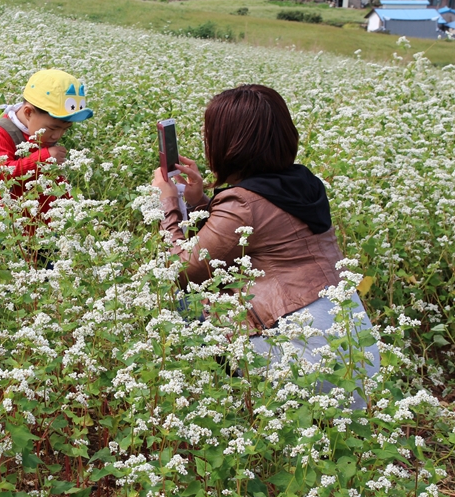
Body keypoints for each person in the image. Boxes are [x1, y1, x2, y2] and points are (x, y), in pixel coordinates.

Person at [151, 84, 379, 408]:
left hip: (308, 371)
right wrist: (200, 201)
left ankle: (206, 401)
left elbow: (181, 270)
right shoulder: (303, 183)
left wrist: (166, 202)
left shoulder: (243, 203)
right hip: (354, 361)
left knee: (181, 302)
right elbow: (244, 236)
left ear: (227, 144)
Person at [0, 69, 93, 225]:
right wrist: (45, 157)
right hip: (8, 226)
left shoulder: (40, 131)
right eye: (53, 128)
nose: (57, 136)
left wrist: (73, 209)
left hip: (42, 225)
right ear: (28, 113)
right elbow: (2, 174)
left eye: (65, 129)